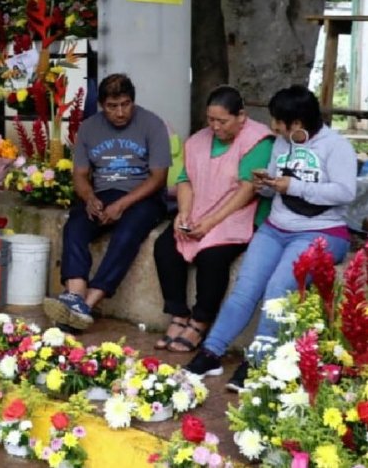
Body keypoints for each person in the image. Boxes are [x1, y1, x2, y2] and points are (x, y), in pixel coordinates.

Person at [184, 85, 356, 390]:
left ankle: (258, 362)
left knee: (278, 288)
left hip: (321, 232)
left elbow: (345, 192)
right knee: (245, 288)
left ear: (297, 123)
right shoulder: (282, 142)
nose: (272, 126)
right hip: (275, 228)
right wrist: (265, 184)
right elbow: (276, 187)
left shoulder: (336, 146)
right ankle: (211, 352)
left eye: (278, 121)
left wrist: (294, 186)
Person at [43, 73, 172, 330]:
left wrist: (122, 205)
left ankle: (88, 303)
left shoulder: (152, 124)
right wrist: (90, 198)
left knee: (127, 234)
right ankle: (75, 296)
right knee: (75, 226)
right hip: (103, 193)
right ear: (102, 105)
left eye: (125, 104)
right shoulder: (89, 128)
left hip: (144, 196)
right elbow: (80, 175)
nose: (120, 112)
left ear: (133, 101)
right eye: (113, 106)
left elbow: (158, 178)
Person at [154, 86, 273, 352]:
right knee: (166, 246)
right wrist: (184, 213)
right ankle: (178, 314)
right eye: (210, 120)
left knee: (212, 256)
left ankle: (200, 322)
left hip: (238, 213)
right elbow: (185, 180)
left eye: (222, 121)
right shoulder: (197, 141)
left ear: (241, 116)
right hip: (200, 208)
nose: (215, 127)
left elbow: (247, 190)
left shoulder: (258, 141)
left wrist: (209, 224)